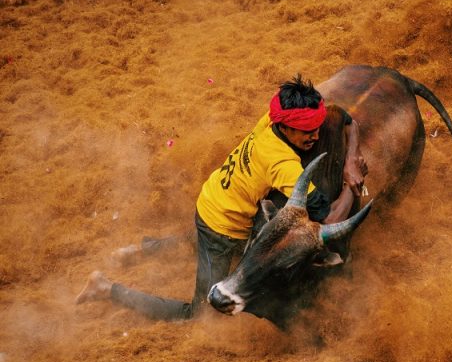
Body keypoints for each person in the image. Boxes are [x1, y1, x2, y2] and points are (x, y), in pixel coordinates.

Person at [75, 75, 368, 320]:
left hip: (219, 198)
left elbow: (344, 117)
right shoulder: (282, 165)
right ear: (286, 126)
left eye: (317, 128)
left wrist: (351, 154)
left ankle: (139, 251)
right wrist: (350, 185)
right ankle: (105, 288)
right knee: (198, 315)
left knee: (206, 240)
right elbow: (325, 215)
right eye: (306, 132)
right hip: (221, 224)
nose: (314, 137)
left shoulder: (271, 119)